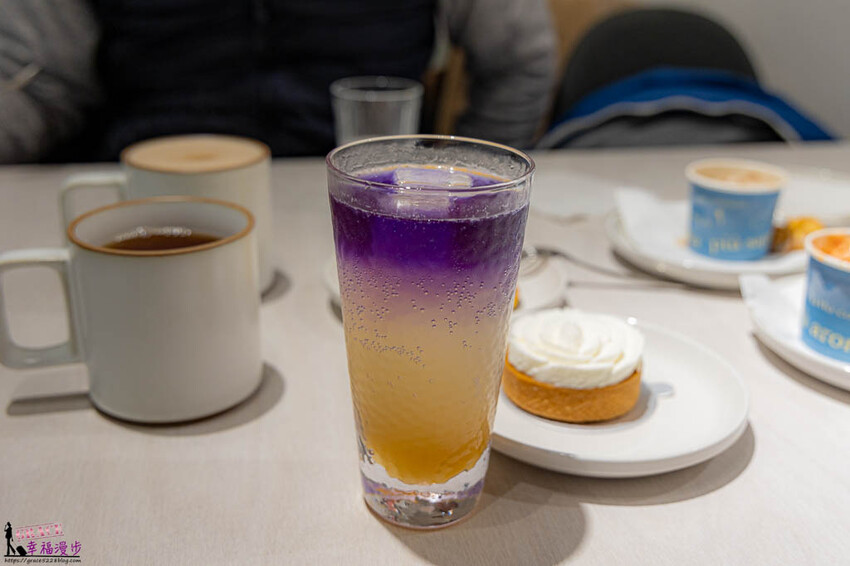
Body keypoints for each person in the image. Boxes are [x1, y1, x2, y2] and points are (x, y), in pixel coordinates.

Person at [0, 0, 555, 163]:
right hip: (145, 189)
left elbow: (518, 60)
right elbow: (36, 87)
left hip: (364, 200)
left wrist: (472, 194)